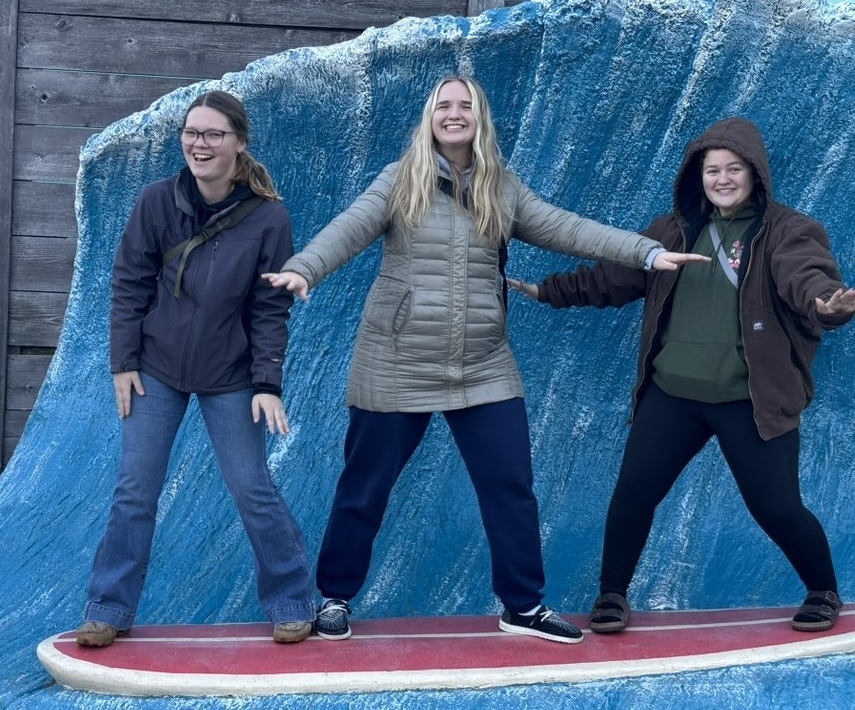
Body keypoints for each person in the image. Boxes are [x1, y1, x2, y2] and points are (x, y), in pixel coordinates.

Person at [263, 76, 706, 644]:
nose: (454, 114)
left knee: (510, 486)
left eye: (465, 105)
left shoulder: (502, 188)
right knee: (364, 487)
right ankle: (335, 597)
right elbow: (349, 228)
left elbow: (569, 228)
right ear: (430, 118)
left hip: (483, 365)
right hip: (397, 362)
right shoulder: (401, 180)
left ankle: (522, 605)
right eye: (444, 106)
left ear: (479, 118)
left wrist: (645, 251)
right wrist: (306, 267)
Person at [510, 116, 855, 634]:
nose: (721, 179)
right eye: (711, 170)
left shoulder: (787, 230)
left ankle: (823, 591)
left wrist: (827, 306)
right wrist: (548, 291)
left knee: (777, 507)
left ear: (754, 174)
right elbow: (616, 277)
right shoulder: (670, 231)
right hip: (673, 394)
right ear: (698, 177)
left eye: (733, 168)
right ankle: (612, 595)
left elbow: (805, 277)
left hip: (749, 400)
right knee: (632, 496)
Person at [76, 90, 315, 647]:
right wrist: (122, 363)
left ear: (238, 144)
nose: (199, 143)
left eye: (212, 134)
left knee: (252, 487)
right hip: (154, 370)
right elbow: (129, 285)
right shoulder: (156, 201)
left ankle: (293, 601)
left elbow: (269, 308)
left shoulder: (268, 218)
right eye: (191, 133)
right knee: (135, 490)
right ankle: (108, 609)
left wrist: (267, 383)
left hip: (230, 376)